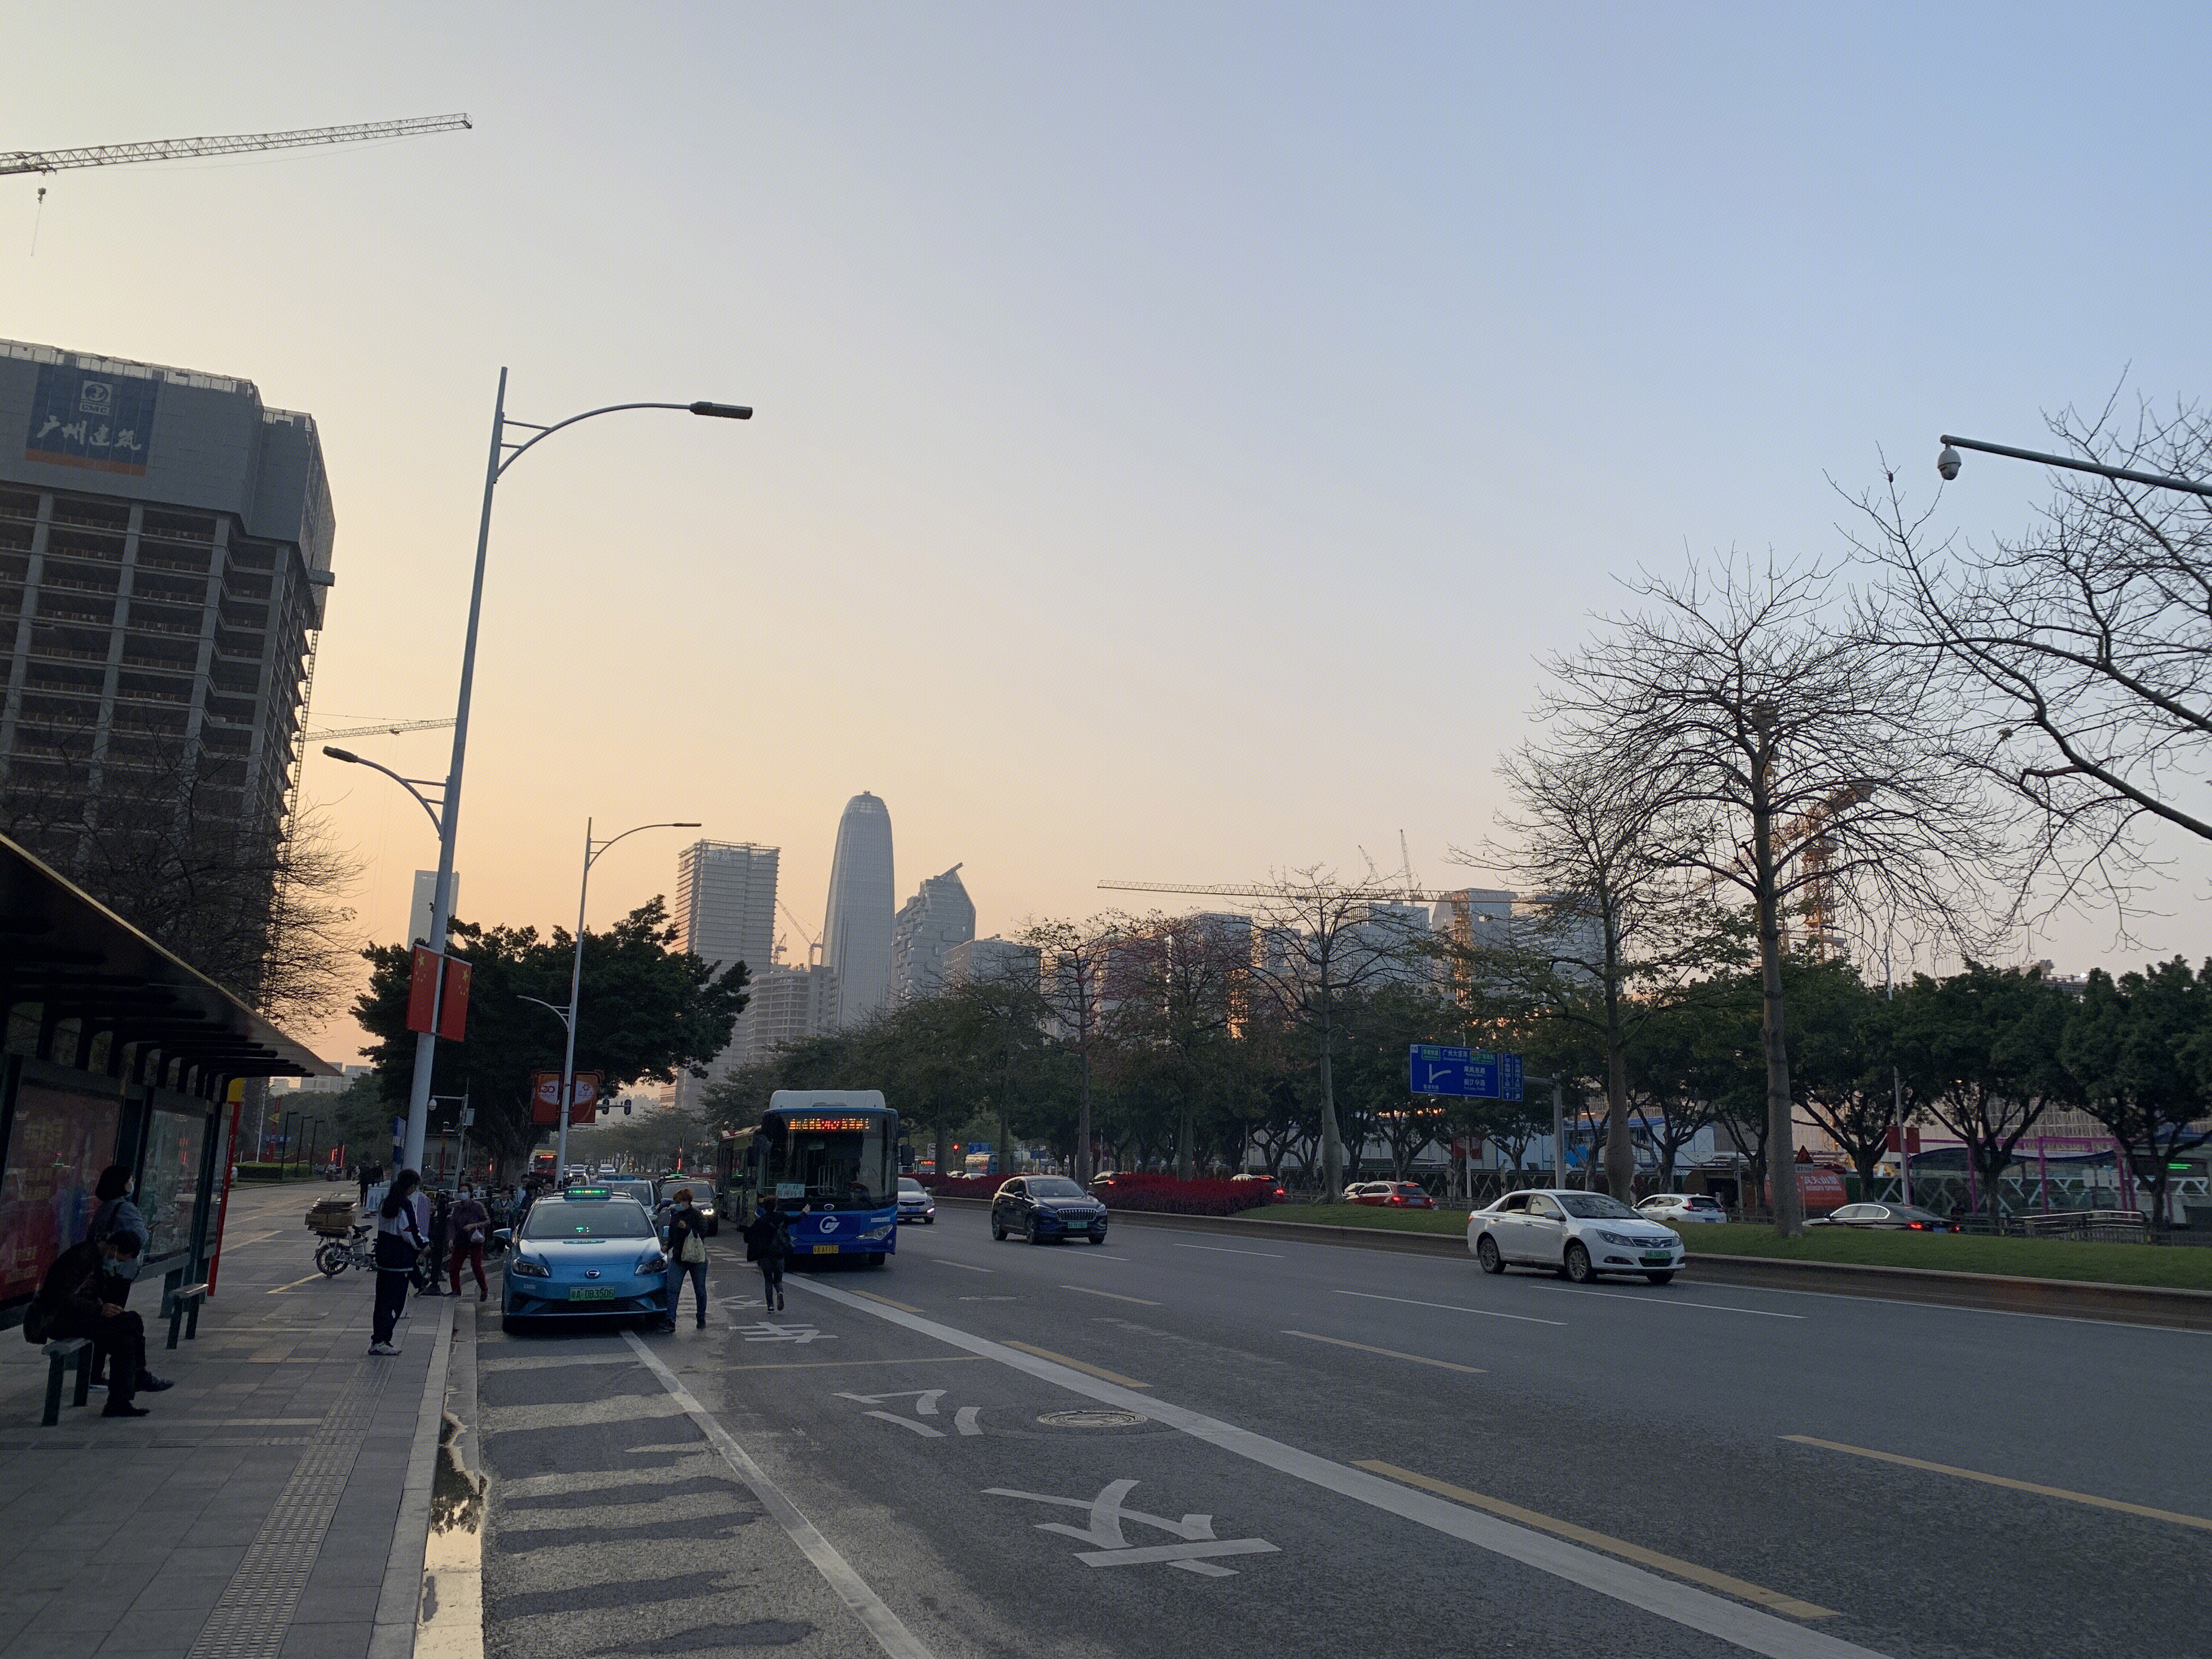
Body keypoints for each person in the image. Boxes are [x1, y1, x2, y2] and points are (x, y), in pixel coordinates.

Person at [30, 1230, 169, 1418]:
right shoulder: (80, 1258)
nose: (118, 1263)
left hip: (79, 1317)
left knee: (125, 1341)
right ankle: (140, 1374)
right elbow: (60, 1297)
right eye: (120, 1258)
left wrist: (100, 1305)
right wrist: (98, 1309)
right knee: (132, 1320)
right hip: (59, 1321)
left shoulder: (95, 1257)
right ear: (114, 1248)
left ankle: (118, 1403)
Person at [371, 1169, 428, 1355]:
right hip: (400, 1261)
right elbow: (409, 1233)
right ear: (411, 1186)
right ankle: (383, 1340)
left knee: (382, 1302)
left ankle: (378, 1340)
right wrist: (423, 1245)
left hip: (384, 1259)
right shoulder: (405, 1206)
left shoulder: (385, 1203)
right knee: (396, 1303)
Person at [657, 1188, 712, 1331]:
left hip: (696, 1259)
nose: (677, 1205)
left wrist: (687, 1228)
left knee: (699, 1289)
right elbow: (673, 1236)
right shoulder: (676, 1215)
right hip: (678, 1257)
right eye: (676, 1202)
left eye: (680, 1202)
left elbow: (703, 1234)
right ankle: (670, 1320)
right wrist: (667, 1246)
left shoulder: (697, 1216)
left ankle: (701, 1318)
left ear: (688, 1202)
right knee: (673, 1289)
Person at [742, 1197, 790, 1312]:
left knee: (768, 1280)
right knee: (778, 1279)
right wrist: (805, 1212)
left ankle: (770, 1306)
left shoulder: (761, 1220)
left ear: (764, 1207)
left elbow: (747, 1237)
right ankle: (780, 1292)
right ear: (775, 1206)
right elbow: (796, 1219)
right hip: (779, 1254)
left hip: (765, 1256)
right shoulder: (782, 1217)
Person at [448, 1187, 490, 1301]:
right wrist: (451, 1239)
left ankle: (484, 1289)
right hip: (462, 1239)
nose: (463, 1194)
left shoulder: (477, 1206)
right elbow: (453, 1224)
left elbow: (487, 1220)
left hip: (475, 1239)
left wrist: (474, 1226)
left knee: (476, 1265)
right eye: (461, 1192)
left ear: (470, 1193)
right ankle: (456, 1290)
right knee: (454, 1266)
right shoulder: (457, 1208)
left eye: (465, 1192)